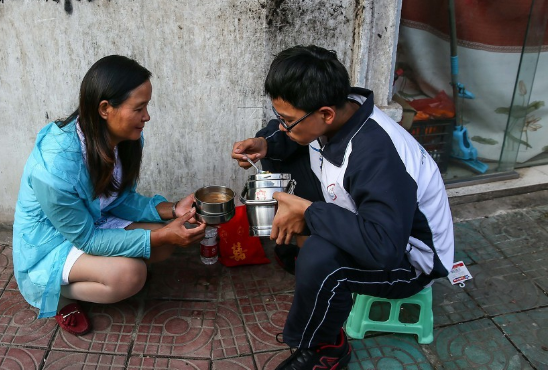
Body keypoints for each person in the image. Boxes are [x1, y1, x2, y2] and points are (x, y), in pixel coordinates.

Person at [232, 45, 454, 370]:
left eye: (288, 121)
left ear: (326, 114)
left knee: (321, 257)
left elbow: (384, 249)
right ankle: (298, 253)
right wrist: (268, 142)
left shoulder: (377, 155)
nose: (282, 126)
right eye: (280, 117)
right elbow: (288, 139)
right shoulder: (338, 113)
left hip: (410, 259)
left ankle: (326, 347)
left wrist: (309, 213)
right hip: (368, 220)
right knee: (281, 154)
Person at [13, 55, 207, 336]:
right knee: (131, 276)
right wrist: (160, 235)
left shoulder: (124, 138)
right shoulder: (55, 167)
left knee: (164, 244)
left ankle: (104, 269)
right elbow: (87, 238)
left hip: (93, 222)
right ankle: (59, 295)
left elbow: (119, 199)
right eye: (139, 108)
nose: (147, 116)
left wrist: (174, 209)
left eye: (147, 106)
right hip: (54, 241)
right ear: (105, 108)